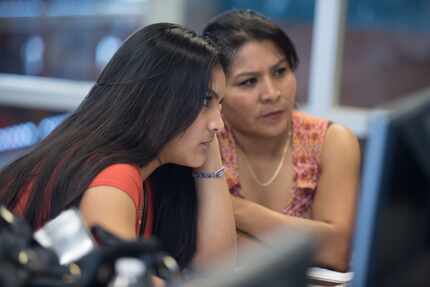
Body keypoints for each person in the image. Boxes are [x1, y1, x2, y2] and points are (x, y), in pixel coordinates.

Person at [0, 23, 236, 270]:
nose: (218, 124)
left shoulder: (149, 171)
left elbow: (217, 268)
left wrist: (209, 159)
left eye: (219, 105)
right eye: (204, 101)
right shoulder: (113, 177)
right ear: (155, 99)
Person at [203, 10, 360, 272]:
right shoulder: (205, 142)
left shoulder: (332, 141)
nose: (272, 93)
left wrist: (234, 209)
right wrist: (311, 241)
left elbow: (336, 252)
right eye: (249, 82)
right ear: (216, 92)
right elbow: (208, 254)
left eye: (280, 72)